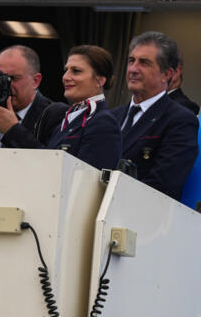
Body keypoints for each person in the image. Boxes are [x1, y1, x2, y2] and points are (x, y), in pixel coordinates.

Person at [111, 31, 199, 200]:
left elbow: (164, 184)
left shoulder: (180, 120)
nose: (133, 69)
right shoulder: (112, 116)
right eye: (131, 61)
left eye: (144, 63)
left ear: (167, 74)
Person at [44, 45, 122, 170]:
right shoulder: (68, 118)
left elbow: (88, 181)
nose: (65, 77)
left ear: (99, 81)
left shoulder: (103, 122)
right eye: (66, 70)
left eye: (76, 71)